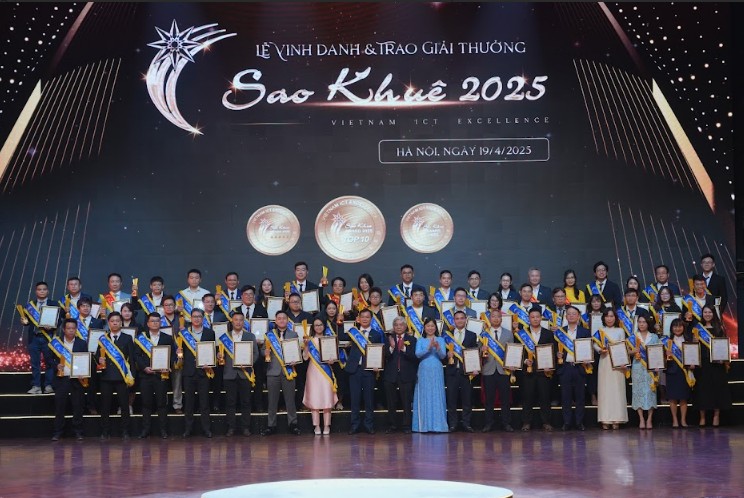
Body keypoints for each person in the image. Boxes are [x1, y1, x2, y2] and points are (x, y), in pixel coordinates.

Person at [135, 312, 176, 439]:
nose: (155, 323)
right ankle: (145, 430)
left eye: (157, 321)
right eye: (152, 321)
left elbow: (173, 355)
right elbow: (136, 356)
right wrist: (144, 368)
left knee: (162, 404)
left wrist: (168, 365)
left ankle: (163, 430)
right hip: (145, 376)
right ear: (147, 323)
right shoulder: (141, 338)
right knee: (146, 403)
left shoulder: (167, 338)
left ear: (160, 323)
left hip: (161, 376)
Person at [342, 308, 383, 434]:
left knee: (369, 399)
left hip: (369, 370)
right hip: (354, 369)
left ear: (371, 319)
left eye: (367, 317)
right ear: (358, 319)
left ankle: (369, 425)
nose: (365, 319)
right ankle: (354, 425)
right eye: (362, 317)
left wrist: (378, 365)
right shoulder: (352, 332)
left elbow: (380, 351)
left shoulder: (376, 334)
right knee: (355, 399)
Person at [260, 310, 301, 436]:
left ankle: (293, 424)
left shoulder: (293, 334)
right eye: (279, 318)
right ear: (276, 321)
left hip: (288, 371)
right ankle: (271, 425)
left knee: (290, 400)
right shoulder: (269, 335)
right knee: (272, 401)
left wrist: (295, 360)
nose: (282, 320)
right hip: (273, 372)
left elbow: (297, 352)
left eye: (284, 318)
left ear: (287, 320)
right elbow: (262, 351)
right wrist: (264, 353)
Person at [220, 310, 259, 437]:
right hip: (229, 374)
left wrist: (248, 363)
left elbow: (256, 354)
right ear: (232, 321)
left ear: (244, 322)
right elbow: (220, 355)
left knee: (246, 402)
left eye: (240, 320)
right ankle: (231, 427)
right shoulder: (225, 337)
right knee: (230, 402)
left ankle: (245, 427)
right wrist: (219, 356)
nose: (238, 322)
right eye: (236, 320)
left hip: (245, 373)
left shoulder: (250, 336)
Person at [96, 312, 135, 440]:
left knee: (124, 405)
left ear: (121, 323)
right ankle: (105, 431)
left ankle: (125, 431)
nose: (115, 323)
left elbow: (132, 359)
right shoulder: (103, 339)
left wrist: (132, 376)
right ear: (108, 323)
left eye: (117, 321)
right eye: (112, 321)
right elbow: (97, 356)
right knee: (105, 405)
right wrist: (99, 360)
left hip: (122, 377)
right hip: (106, 377)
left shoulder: (127, 338)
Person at [179, 308, 215, 438]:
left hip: (204, 372)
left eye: (199, 316)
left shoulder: (210, 333)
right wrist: (179, 354)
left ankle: (207, 429)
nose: (197, 319)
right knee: (189, 403)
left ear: (203, 318)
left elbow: (213, 351)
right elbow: (181, 352)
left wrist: (210, 363)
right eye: (194, 316)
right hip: (188, 372)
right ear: (190, 318)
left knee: (204, 403)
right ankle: (188, 429)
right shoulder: (184, 333)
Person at [694, 305, 732, 427]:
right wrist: (695, 341)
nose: (707, 314)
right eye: (705, 312)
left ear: (713, 314)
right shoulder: (697, 328)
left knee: (717, 390)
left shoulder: (719, 328)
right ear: (702, 314)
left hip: (717, 364)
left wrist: (723, 359)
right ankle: (702, 417)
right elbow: (693, 348)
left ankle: (716, 416)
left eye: (710, 312)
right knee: (702, 390)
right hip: (702, 364)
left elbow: (724, 345)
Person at [50, 318, 88, 441]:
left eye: (73, 328)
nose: (71, 330)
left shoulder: (82, 343)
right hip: (61, 379)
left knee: (78, 406)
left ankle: (78, 431)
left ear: (76, 329)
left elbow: (85, 360)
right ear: (64, 329)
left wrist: (83, 372)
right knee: (60, 406)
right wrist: (56, 365)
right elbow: (49, 359)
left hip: (77, 379)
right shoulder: (57, 343)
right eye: (68, 328)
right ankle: (58, 432)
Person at [555, 306, 591, 431]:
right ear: (566, 316)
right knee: (566, 397)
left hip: (579, 367)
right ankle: (567, 422)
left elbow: (589, 349)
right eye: (569, 314)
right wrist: (557, 354)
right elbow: (554, 349)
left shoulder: (585, 332)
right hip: (565, 368)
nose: (571, 316)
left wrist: (587, 358)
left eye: (574, 314)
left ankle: (579, 422)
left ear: (578, 316)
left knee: (580, 397)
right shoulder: (560, 332)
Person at [21, 281, 60, 394]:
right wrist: (24, 322)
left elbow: (60, 320)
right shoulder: (30, 305)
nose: (42, 291)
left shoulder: (54, 304)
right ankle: (36, 386)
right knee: (35, 363)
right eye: (39, 289)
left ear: (48, 291)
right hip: (34, 338)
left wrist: (53, 326)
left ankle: (48, 385)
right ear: (36, 291)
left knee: (50, 362)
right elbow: (27, 322)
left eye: (44, 289)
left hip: (48, 337)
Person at [481, 301, 515, 432]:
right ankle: (488, 423)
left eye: (498, 317)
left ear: (502, 319)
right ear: (489, 319)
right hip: (488, 369)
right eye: (493, 316)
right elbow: (478, 352)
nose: (496, 319)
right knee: (489, 400)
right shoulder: (484, 334)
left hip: (503, 370)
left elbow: (512, 352)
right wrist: (481, 350)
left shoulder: (508, 334)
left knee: (505, 399)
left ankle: (506, 423)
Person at [519, 307, 554, 431]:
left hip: (543, 371)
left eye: (537, 317)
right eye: (532, 317)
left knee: (545, 397)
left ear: (541, 318)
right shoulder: (522, 333)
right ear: (528, 319)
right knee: (527, 398)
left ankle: (546, 422)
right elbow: (519, 352)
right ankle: (526, 422)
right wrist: (525, 361)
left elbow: (552, 351)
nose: (535, 319)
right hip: (528, 371)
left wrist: (549, 365)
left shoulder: (548, 333)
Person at [303, 318, 339, 435]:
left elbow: (335, 356)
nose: (318, 327)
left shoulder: (329, 340)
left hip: (326, 371)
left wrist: (332, 360)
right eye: (316, 325)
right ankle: (317, 426)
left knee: (326, 397)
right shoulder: (310, 340)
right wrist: (306, 345)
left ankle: (327, 425)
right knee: (315, 397)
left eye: (320, 325)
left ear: (324, 326)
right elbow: (305, 357)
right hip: (313, 371)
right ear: (313, 327)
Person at [444, 310, 478, 432]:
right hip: (452, 372)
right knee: (451, 399)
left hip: (466, 372)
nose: (459, 320)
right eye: (457, 318)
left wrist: (475, 368)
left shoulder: (472, 335)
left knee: (467, 399)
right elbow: (442, 355)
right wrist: (447, 355)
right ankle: (453, 424)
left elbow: (474, 353)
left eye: (462, 318)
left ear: (465, 320)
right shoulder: (447, 336)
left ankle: (467, 423)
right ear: (454, 321)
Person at [412, 318, 448, 433]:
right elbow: (417, 354)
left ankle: (438, 425)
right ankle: (424, 425)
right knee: (424, 395)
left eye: (432, 326)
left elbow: (443, 356)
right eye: (428, 326)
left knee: (437, 394)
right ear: (424, 327)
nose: (430, 328)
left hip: (436, 368)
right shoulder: (420, 340)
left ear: (435, 328)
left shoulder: (440, 339)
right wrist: (428, 347)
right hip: (424, 369)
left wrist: (437, 348)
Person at [595, 308, 628, 430]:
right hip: (604, 361)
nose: (609, 319)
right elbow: (594, 344)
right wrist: (600, 350)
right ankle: (605, 419)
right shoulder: (600, 331)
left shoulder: (620, 330)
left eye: (612, 316)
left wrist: (624, 362)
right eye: (607, 316)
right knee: (605, 390)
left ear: (615, 318)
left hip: (618, 363)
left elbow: (623, 346)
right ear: (604, 318)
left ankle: (617, 419)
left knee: (617, 390)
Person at [384, 316, 418, 434]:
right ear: (393, 327)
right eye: (396, 325)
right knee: (391, 402)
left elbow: (415, 357)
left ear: (405, 326)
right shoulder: (388, 339)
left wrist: (404, 349)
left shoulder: (412, 339)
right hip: (391, 375)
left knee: (406, 402)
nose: (398, 327)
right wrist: (391, 348)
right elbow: (384, 356)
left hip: (406, 375)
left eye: (401, 324)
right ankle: (392, 425)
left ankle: (406, 425)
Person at [629, 315, 660, 429]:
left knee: (651, 392)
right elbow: (626, 352)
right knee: (638, 392)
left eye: (644, 322)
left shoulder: (654, 337)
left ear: (648, 323)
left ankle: (649, 419)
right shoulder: (633, 337)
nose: (641, 324)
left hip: (651, 368)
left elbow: (658, 352)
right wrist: (633, 351)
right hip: (637, 367)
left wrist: (658, 365)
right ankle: (641, 419)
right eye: (640, 322)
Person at [665, 318, 692, 428]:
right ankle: (675, 420)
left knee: (683, 397)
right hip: (671, 371)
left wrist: (693, 364)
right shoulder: (667, 341)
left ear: (683, 327)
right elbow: (660, 359)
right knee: (672, 397)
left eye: (680, 326)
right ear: (671, 328)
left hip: (684, 372)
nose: (677, 328)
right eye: (675, 326)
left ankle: (683, 420)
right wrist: (666, 356)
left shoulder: (688, 340)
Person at [160, 296, 183, 414]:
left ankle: (177, 405)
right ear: (163, 307)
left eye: (171, 305)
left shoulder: (182, 320)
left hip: (179, 353)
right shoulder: (159, 321)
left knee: (177, 380)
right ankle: (162, 404)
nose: (169, 307)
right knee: (162, 381)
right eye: (166, 305)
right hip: (164, 354)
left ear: (175, 306)